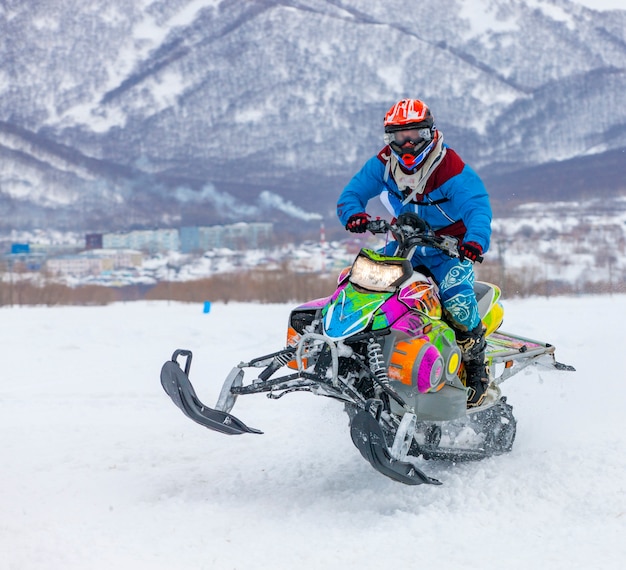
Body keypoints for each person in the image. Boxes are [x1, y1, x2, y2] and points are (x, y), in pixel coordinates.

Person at [336, 98, 492, 408]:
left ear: (431, 133)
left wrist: (475, 241)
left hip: (449, 250)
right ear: (388, 139)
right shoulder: (383, 163)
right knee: (365, 283)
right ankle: (350, 351)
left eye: (415, 136)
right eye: (398, 138)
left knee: (458, 303)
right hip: (404, 244)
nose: (407, 146)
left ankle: (476, 366)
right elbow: (351, 193)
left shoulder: (450, 167)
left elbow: (477, 206)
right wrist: (353, 214)